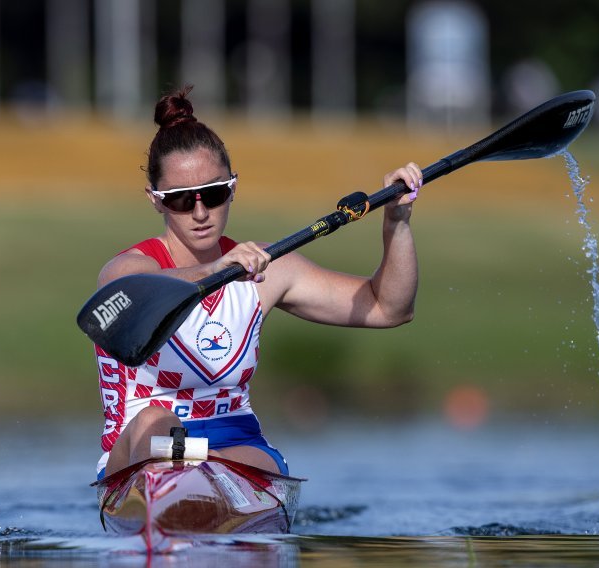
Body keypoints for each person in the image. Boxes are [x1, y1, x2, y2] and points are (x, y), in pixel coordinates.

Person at [94, 86, 422, 480]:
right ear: (156, 199)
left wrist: (396, 222)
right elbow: (127, 295)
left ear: (233, 187)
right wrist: (216, 270)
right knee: (155, 419)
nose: (200, 212)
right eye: (182, 199)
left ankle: (220, 498)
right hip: (145, 448)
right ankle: (181, 495)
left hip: (234, 442)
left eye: (214, 194)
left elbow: (390, 308)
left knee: (261, 465)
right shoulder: (128, 269)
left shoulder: (266, 267)